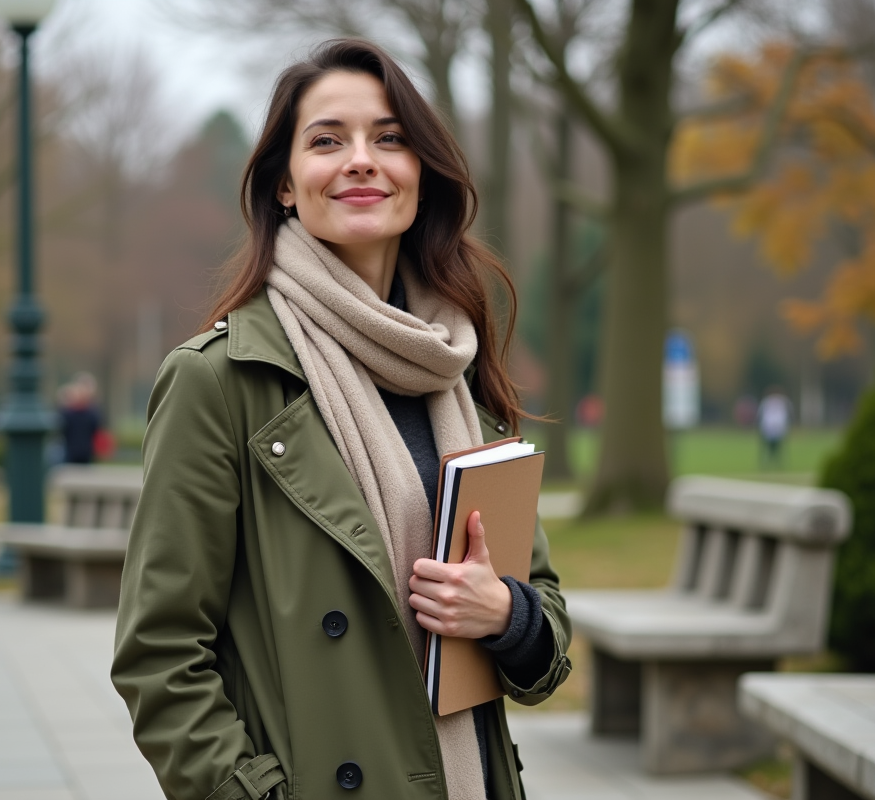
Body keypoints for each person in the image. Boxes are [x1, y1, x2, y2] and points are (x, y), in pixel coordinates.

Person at [111, 40, 571, 800]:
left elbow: (544, 626)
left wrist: (504, 614)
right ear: (286, 185)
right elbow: (159, 655)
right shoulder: (219, 382)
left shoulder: (456, 369)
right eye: (327, 140)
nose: (362, 160)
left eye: (390, 138)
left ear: (420, 175)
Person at [59, 373, 102, 465]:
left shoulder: (92, 413)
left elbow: (96, 428)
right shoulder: (67, 413)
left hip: (86, 453)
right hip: (70, 453)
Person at [757, 386, 794, 468]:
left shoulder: (768, 401)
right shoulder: (783, 401)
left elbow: (760, 413)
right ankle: (770, 462)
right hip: (774, 426)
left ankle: (772, 462)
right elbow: (790, 412)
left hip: (772, 426)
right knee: (772, 446)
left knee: (774, 446)